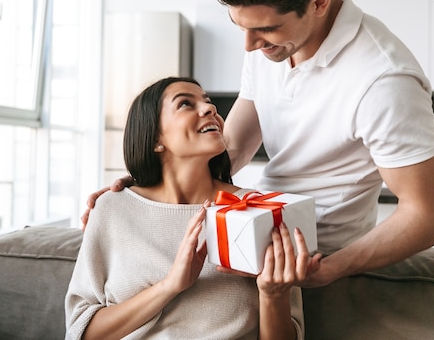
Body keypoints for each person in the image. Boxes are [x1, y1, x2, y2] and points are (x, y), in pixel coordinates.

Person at [83, 0, 434, 288]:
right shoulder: (271, 36)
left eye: (266, 30)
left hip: (317, 263)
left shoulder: (384, 80)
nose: (249, 45)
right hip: (254, 230)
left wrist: (331, 270)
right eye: (239, 24)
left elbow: (427, 215)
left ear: (318, 3)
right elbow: (234, 147)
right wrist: (144, 188)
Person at [66, 77, 316, 340]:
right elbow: (80, 332)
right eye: (186, 103)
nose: (211, 109)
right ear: (155, 138)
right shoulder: (111, 210)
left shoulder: (260, 211)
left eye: (208, 102)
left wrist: (273, 294)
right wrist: (169, 286)